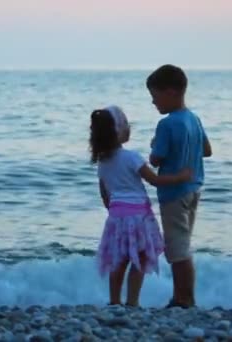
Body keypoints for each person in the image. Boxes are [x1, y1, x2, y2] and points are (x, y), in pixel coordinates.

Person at [90, 105, 191, 307]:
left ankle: (114, 301)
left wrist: (113, 210)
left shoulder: (103, 162)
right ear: (118, 132)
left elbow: (104, 192)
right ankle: (132, 301)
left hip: (116, 216)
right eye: (126, 124)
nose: (129, 128)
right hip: (139, 217)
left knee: (119, 260)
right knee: (142, 258)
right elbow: (154, 180)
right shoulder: (131, 157)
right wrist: (181, 177)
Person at [147, 64, 212, 308]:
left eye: (155, 97)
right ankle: (184, 297)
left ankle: (183, 299)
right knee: (182, 244)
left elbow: (156, 159)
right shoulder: (193, 118)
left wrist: (155, 145)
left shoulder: (167, 124)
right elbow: (207, 150)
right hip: (194, 189)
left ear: (171, 92)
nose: (154, 103)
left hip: (173, 193)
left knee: (177, 250)